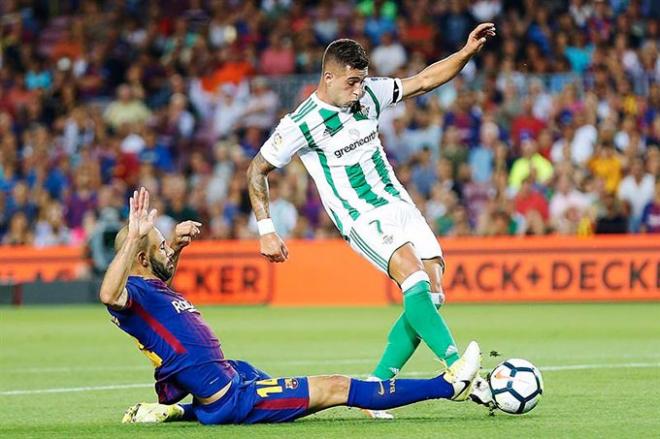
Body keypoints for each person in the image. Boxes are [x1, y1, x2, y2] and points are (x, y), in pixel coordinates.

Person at [246, 24, 497, 418]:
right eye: (351, 82)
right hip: (359, 215)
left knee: (432, 293)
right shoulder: (300, 123)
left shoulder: (370, 95)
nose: (359, 89)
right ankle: (455, 365)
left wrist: (465, 52)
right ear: (328, 77)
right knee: (412, 278)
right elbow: (256, 170)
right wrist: (266, 230)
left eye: (362, 81)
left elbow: (424, 80)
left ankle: (376, 390)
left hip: (399, 204)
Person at [100, 188, 482, 425]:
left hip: (230, 378)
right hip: (232, 399)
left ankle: (176, 412)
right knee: (334, 388)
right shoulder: (129, 293)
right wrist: (135, 237)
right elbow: (109, 295)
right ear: (141, 258)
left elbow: (158, 278)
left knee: (281, 384)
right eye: (161, 246)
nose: (169, 246)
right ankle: (447, 385)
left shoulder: (150, 289)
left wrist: (175, 248)